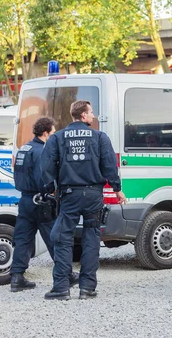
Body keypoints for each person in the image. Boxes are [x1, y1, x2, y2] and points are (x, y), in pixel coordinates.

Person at [41, 101, 126, 301]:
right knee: (91, 239)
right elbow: (109, 165)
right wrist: (117, 189)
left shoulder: (57, 138)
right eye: (91, 113)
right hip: (93, 195)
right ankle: (87, 288)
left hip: (69, 195)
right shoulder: (99, 137)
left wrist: (51, 189)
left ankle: (61, 288)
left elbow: (46, 167)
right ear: (83, 116)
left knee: (63, 239)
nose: (94, 116)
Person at [10, 117, 79, 292]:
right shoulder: (42, 151)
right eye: (53, 133)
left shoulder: (24, 149)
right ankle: (67, 275)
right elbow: (43, 178)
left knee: (22, 240)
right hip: (41, 201)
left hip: (25, 200)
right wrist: (53, 192)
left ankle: (17, 277)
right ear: (46, 133)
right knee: (54, 238)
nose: (54, 136)